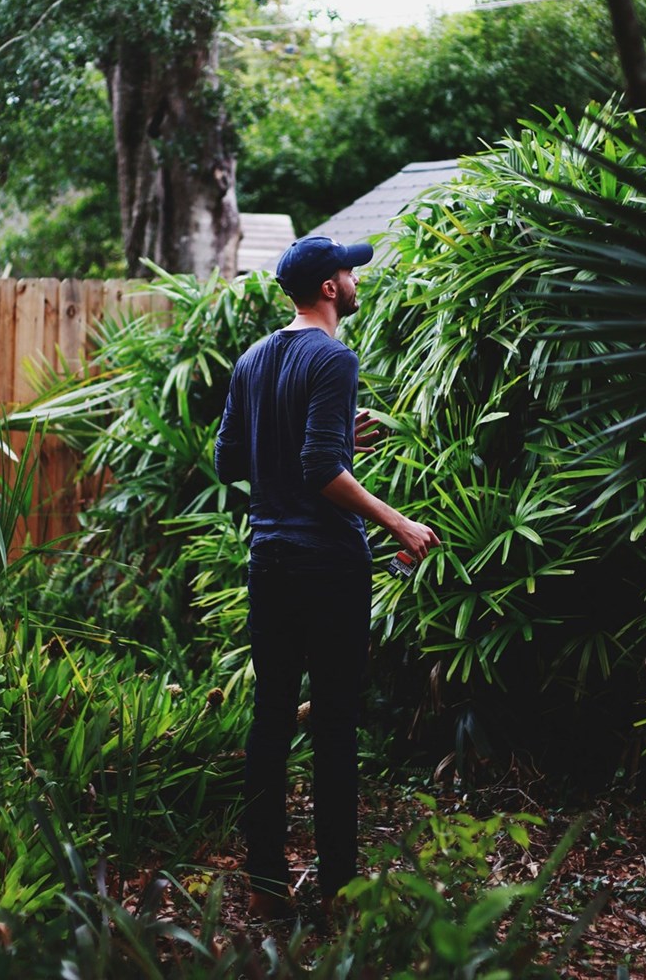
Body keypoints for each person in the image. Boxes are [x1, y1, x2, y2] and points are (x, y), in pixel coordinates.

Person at [214, 234, 440, 920]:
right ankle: (340, 887)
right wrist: (397, 522)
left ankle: (265, 883)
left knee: (272, 717)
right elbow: (318, 472)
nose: (353, 277)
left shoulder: (254, 357)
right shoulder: (335, 357)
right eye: (348, 270)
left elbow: (231, 462)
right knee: (336, 723)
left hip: (268, 561)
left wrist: (339, 444)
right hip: (328, 563)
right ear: (330, 289)